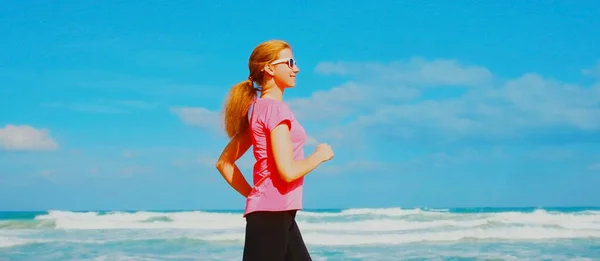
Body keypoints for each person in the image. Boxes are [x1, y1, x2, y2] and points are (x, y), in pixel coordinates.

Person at [215, 39, 334, 261]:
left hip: (278, 214)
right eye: (289, 62)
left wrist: (255, 194)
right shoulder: (276, 110)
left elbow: (224, 163)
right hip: (272, 216)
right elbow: (287, 171)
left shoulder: (257, 110)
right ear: (269, 68)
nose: (296, 68)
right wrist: (320, 155)